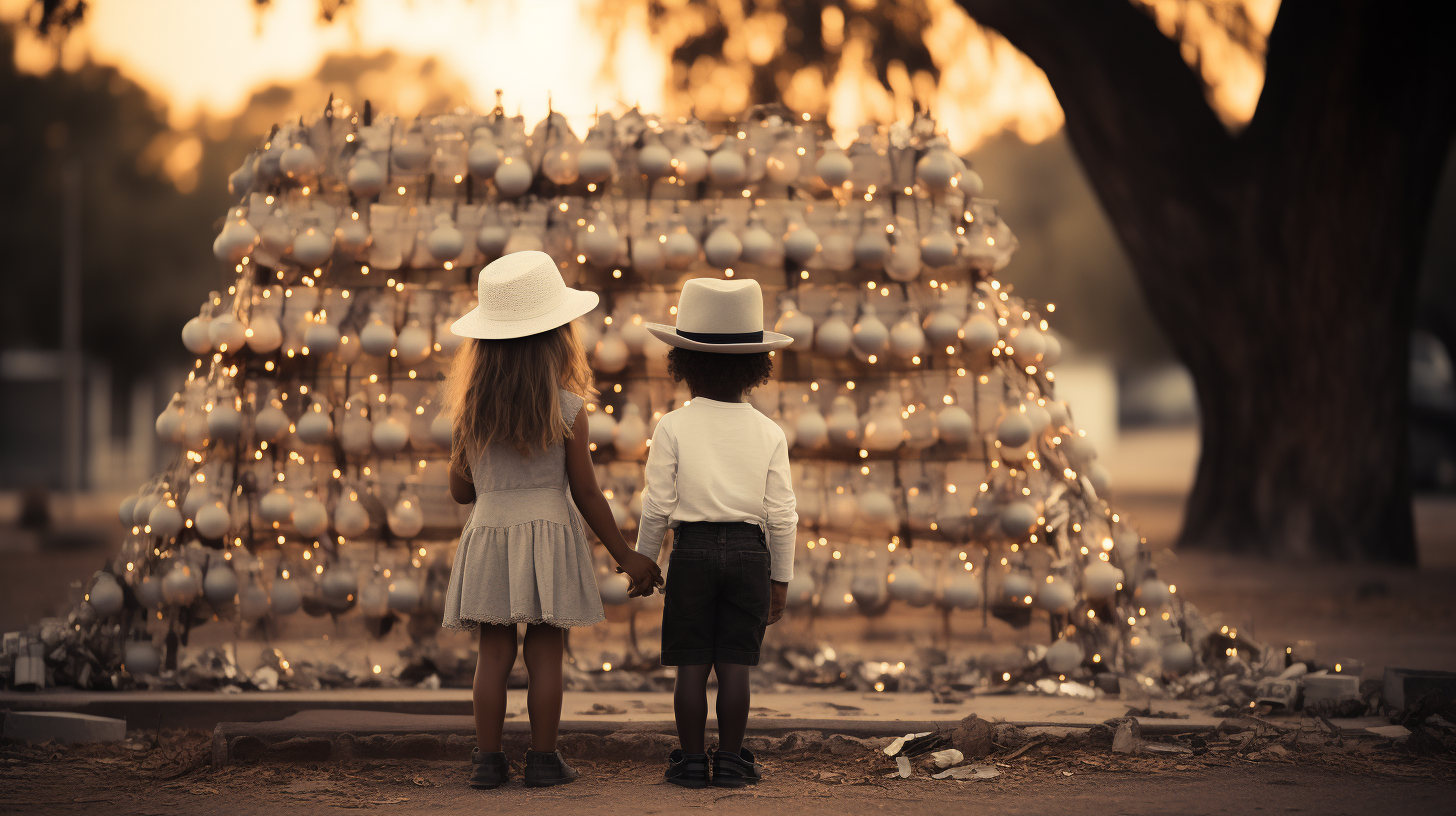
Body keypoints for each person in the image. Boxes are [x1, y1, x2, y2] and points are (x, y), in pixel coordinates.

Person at [442, 250, 663, 790]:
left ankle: (487, 762)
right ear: (557, 338)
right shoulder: (568, 408)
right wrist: (625, 555)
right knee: (545, 653)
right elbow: (586, 491)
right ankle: (543, 760)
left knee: (492, 654)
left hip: (491, 532)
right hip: (549, 534)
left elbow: (460, 490)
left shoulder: (469, 409)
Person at [638, 278, 798, 789]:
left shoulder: (672, 426)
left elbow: (658, 504)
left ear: (683, 364)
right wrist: (781, 579)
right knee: (735, 667)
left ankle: (689, 762)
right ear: (756, 369)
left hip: (692, 552)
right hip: (752, 555)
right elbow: (783, 516)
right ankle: (730, 759)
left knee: (691, 666)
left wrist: (644, 560)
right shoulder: (770, 432)